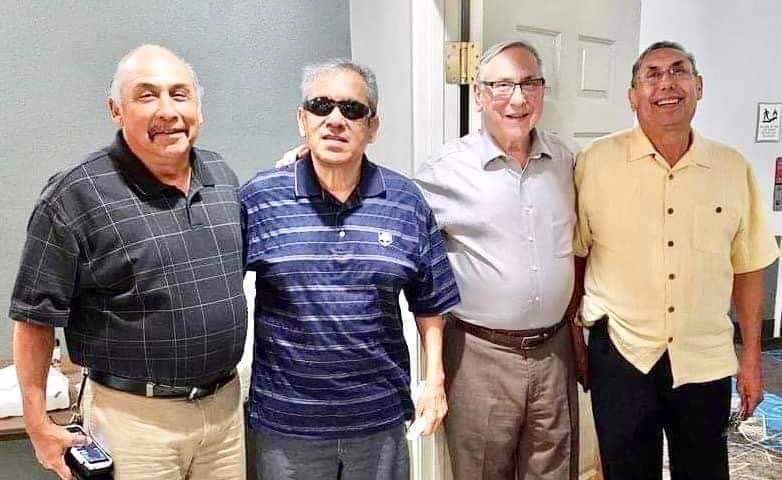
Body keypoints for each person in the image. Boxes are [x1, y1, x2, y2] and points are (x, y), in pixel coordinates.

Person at [9, 44, 247, 480]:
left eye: (179, 94)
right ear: (116, 110)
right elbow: (33, 321)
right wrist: (37, 424)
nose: (168, 111)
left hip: (225, 415)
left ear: (198, 108)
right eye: (147, 95)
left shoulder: (222, 177)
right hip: (133, 422)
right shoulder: (75, 195)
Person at [241, 58, 460, 479]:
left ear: (372, 127)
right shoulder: (260, 198)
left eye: (352, 109)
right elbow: (219, 288)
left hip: (378, 421)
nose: (335, 120)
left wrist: (434, 382)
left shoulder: (405, 201)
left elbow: (431, 301)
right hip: (287, 424)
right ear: (302, 120)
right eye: (321, 106)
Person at [573, 41, 779, 480]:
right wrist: (576, 337)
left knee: (704, 470)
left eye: (678, 71)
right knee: (626, 471)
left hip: (704, 355)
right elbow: (576, 254)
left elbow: (747, 267)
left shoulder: (732, 168)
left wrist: (751, 359)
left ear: (699, 86)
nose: (666, 83)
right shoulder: (595, 163)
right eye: (652, 75)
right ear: (632, 95)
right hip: (622, 351)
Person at [415, 40, 580, 480]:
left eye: (529, 83)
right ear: (479, 94)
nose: (518, 99)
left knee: (555, 471)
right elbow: (392, 212)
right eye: (502, 85)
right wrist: (313, 162)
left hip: (554, 352)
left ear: (542, 91)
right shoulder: (445, 169)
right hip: (480, 356)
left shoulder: (565, 161)